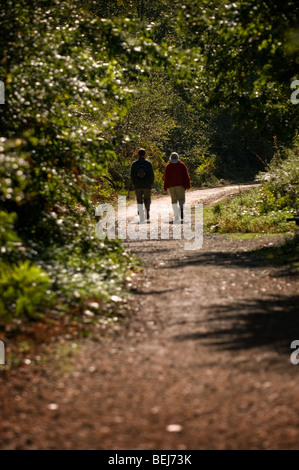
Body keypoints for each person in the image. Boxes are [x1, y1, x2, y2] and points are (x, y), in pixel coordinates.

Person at [163, 152, 191, 223]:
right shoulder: (182, 165)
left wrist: (165, 187)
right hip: (180, 185)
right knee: (181, 199)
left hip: (171, 186)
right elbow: (186, 176)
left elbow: (166, 177)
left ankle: (176, 216)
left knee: (174, 200)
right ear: (178, 157)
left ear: (170, 158)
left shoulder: (168, 166)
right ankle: (181, 209)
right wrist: (188, 185)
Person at [130, 148, 154, 222]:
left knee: (139, 200)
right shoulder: (148, 163)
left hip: (138, 185)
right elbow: (151, 175)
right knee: (147, 199)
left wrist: (134, 183)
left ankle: (141, 215)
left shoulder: (134, 164)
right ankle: (147, 211)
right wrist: (151, 183)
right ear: (144, 154)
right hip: (147, 185)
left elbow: (132, 175)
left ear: (138, 154)